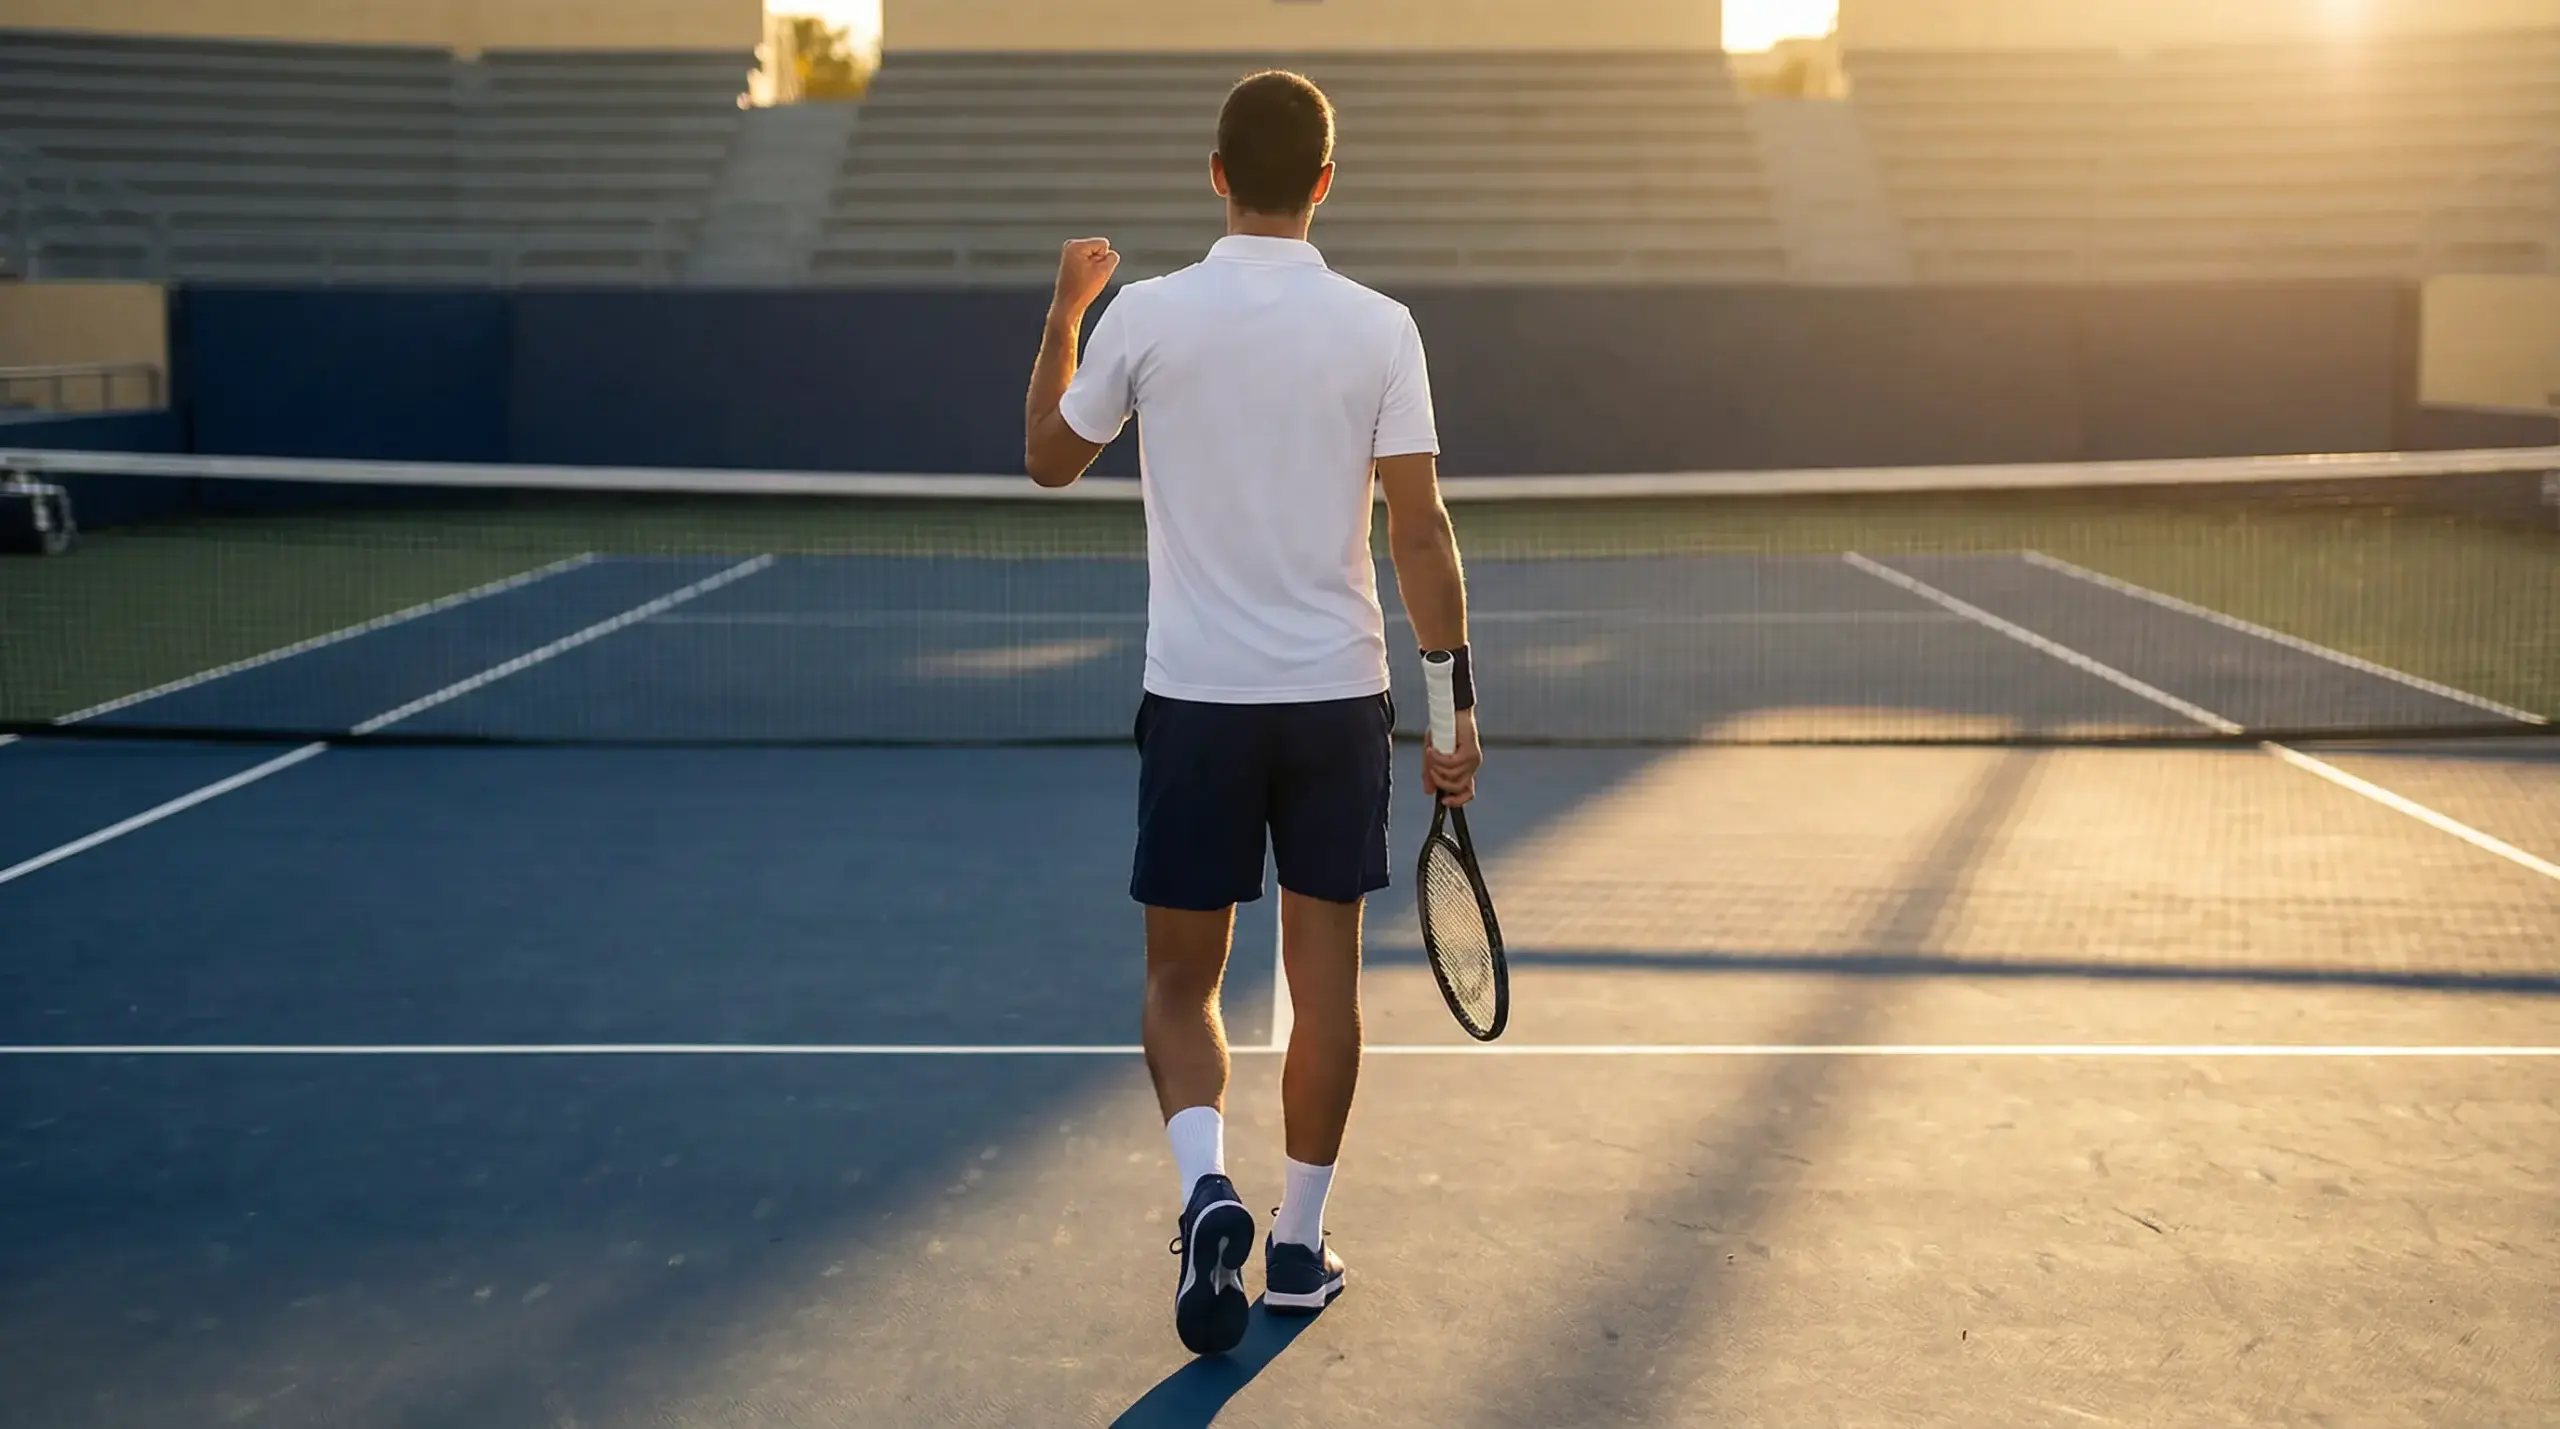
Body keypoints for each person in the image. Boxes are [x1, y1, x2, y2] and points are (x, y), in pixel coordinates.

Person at [1020, 69, 1480, 1357]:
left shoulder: (1147, 316)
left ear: (1216, 175)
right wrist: (1451, 711)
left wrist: (1066, 313)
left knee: (1181, 981)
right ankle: (1295, 1245)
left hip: (1201, 706)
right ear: (1324, 183)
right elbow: (1421, 528)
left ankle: (1205, 1189)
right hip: (1339, 703)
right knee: (1321, 985)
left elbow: (1050, 461)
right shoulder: (1382, 327)